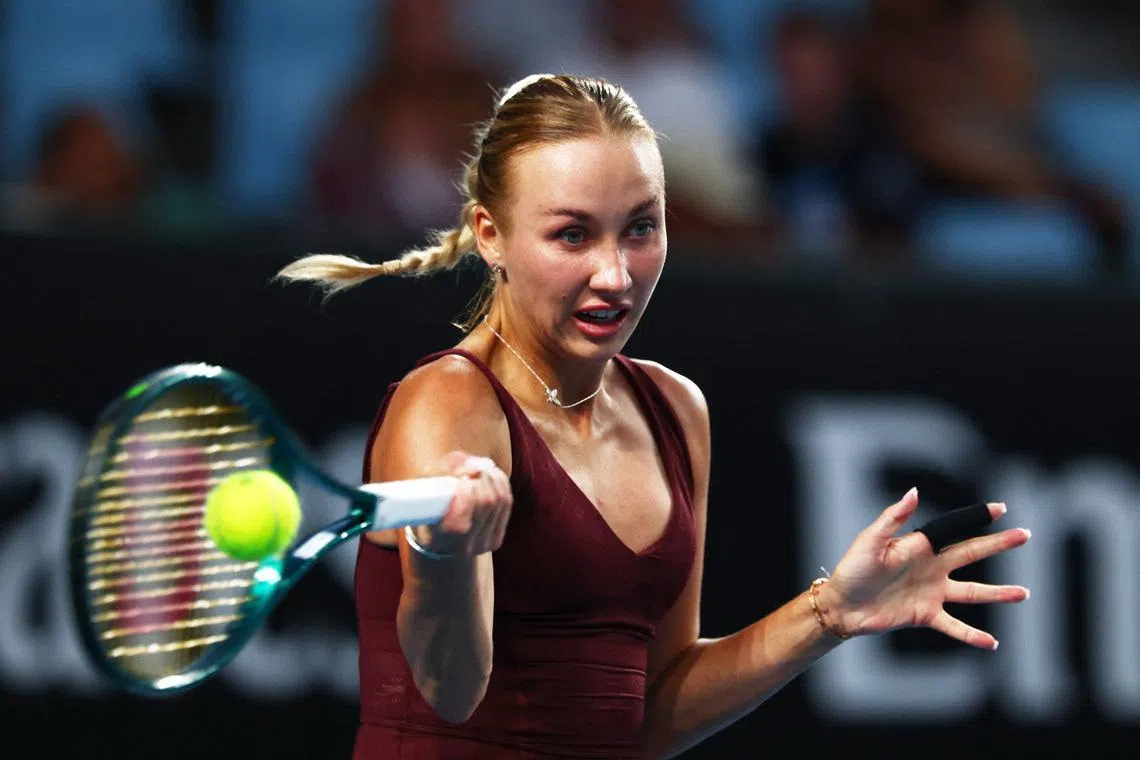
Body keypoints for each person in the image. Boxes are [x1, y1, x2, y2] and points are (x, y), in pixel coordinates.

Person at [276, 74, 1031, 759]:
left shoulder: (675, 409)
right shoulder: (447, 405)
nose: (615, 274)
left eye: (640, 227)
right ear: (489, 235)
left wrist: (831, 612)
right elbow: (448, 688)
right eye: (572, 234)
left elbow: (648, 717)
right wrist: (446, 559)